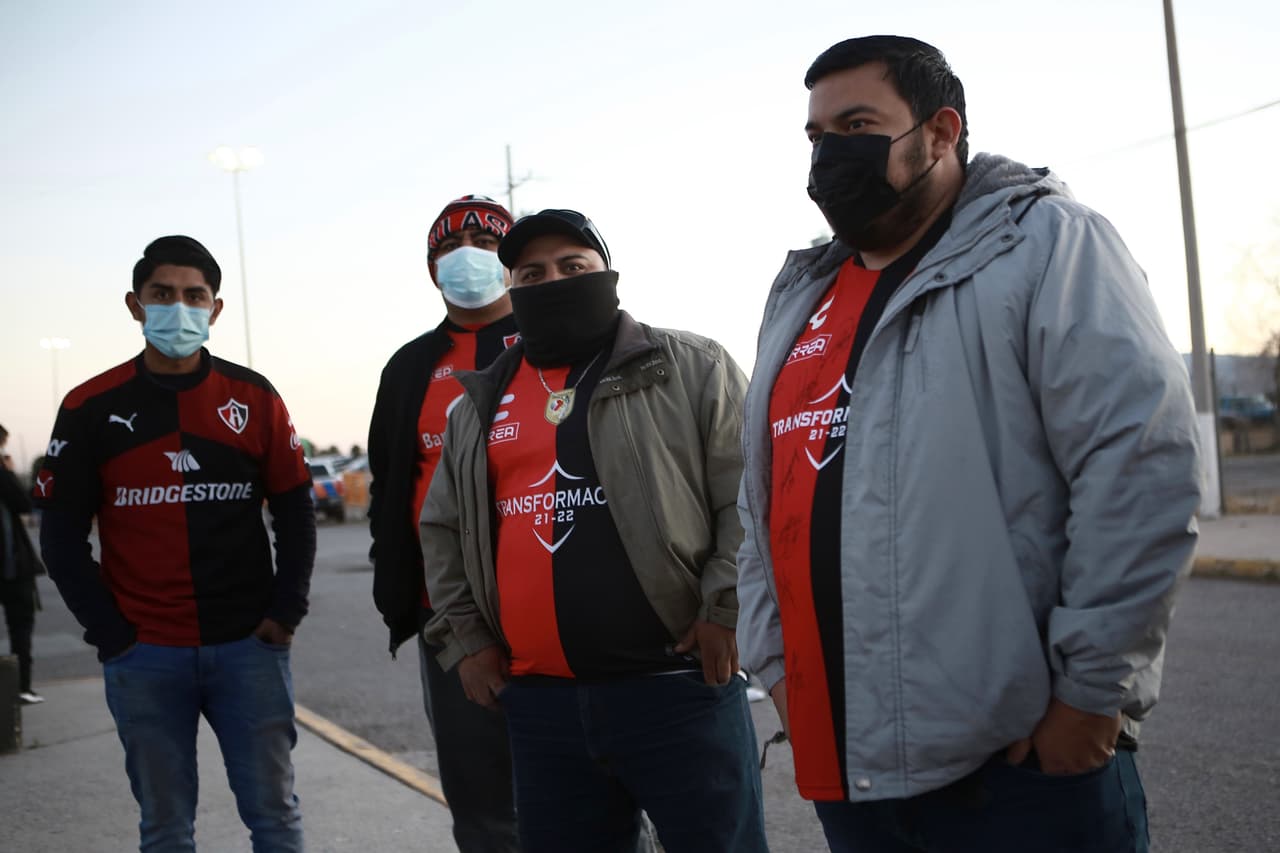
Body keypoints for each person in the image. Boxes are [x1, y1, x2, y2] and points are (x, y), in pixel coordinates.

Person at [736, 36, 1202, 853]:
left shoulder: (1050, 246)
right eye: (815, 136)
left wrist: (1089, 703)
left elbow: (1141, 467)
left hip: (1017, 775)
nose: (829, 154)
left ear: (942, 131)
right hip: (848, 771)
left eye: (856, 123)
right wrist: (776, 670)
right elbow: (760, 503)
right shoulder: (800, 298)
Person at [421, 209, 768, 853]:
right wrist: (466, 639)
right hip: (542, 708)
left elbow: (748, 495)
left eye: (573, 266)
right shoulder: (480, 402)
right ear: (513, 288)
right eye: (532, 271)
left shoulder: (692, 366)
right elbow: (441, 530)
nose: (554, 279)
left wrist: (727, 607)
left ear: (608, 275)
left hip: (676, 693)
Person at [35, 235, 316, 852]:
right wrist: (112, 636)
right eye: (163, 294)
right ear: (135, 304)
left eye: (195, 296)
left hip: (249, 647)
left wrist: (284, 613)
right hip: (145, 654)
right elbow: (58, 537)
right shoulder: (89, 405)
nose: (179, 308)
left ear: (216, 309)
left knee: (274, 816)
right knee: (164, 827)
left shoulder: (254, 396)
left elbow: (296, 509)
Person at [368, 193, 522, 852]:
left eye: (487, 246)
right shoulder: (409, 367)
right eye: (451, 249)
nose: (469, 258)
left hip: (560, 605)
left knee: (591, 798)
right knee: (484, 807)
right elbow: (389, 488)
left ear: (512, 260)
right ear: (432, 269)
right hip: (453, 620)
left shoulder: (557, 340)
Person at [1, 423, 43, 704]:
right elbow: (24, 502)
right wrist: (9, 472)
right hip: (10, 567)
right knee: (20, 628)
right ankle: (20, 688)